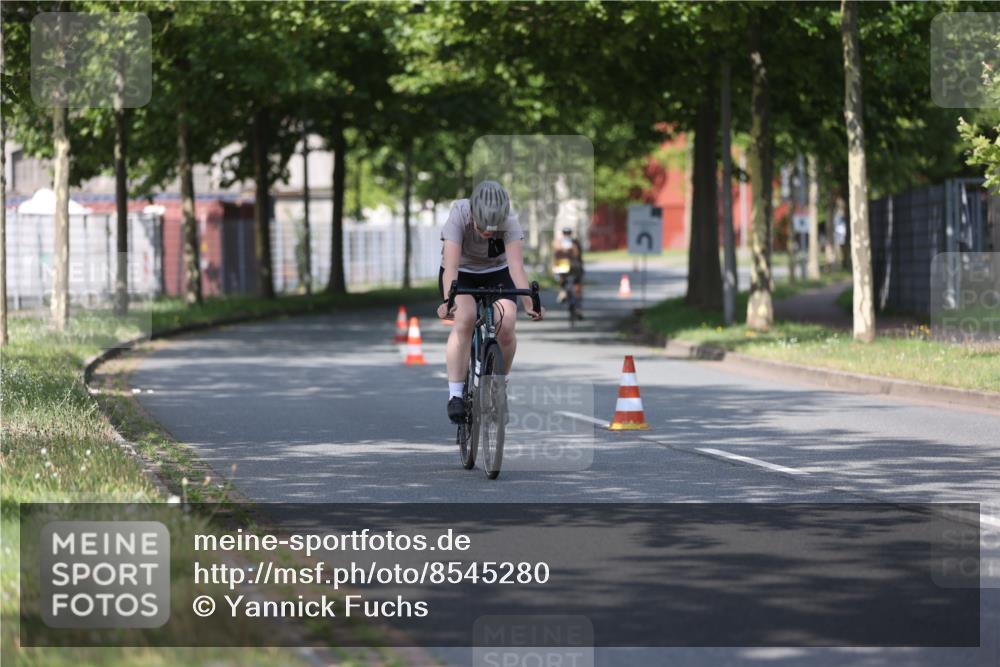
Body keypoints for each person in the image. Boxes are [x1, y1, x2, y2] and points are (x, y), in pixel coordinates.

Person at [437, 180, 544, 424]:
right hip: (461, 272)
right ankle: (456, 396)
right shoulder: (459, 215)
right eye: (482, 226)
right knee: (464, 318)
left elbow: (516, 267)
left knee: (507, 321)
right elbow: (451, 267)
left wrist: (529, 304)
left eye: (492, 229)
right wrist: (448, 301)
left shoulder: (510, 221)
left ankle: (499, 388)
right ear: (473, 213)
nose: (487, 233)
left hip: (497, 272)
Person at [552, 226, 584, 316]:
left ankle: (563, 292)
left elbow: (578, 255)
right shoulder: (570, 242)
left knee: (576, 284)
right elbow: (578, 255)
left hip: (570, 265)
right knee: (575, 283)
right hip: (568, 265)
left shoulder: (563, 242)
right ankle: (564, 292)